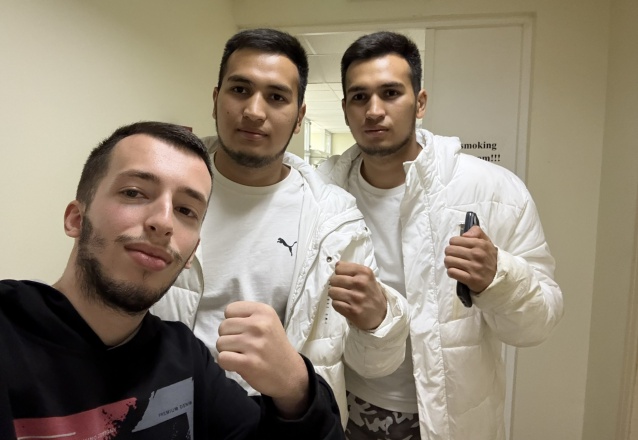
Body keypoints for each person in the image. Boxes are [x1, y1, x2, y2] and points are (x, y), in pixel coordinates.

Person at [0, 121, 345, 439]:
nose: (163, 222)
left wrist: (296, 387)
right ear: (76, 219)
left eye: (185, 210)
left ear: (191, 253)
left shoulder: (185, 361)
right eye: (134, 192)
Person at [151, 28, 410, 426]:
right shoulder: (159, 189)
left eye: (276, 97)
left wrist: (378, 320)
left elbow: (371, 364)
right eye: (240, 90)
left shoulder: (335, 220)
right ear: (216, 98)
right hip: (170, 413)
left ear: (299, 116)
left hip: (287, 422)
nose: (254, 111)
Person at [316, 31, 564, 440]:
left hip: (453, 420)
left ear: (420, 102)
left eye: (390, 93)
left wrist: (498, 278)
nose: (374, 110)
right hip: (346, 409)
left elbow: (540, 323)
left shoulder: (495, 190)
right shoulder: (322, 194)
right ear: (345, 109)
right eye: (359, 97)